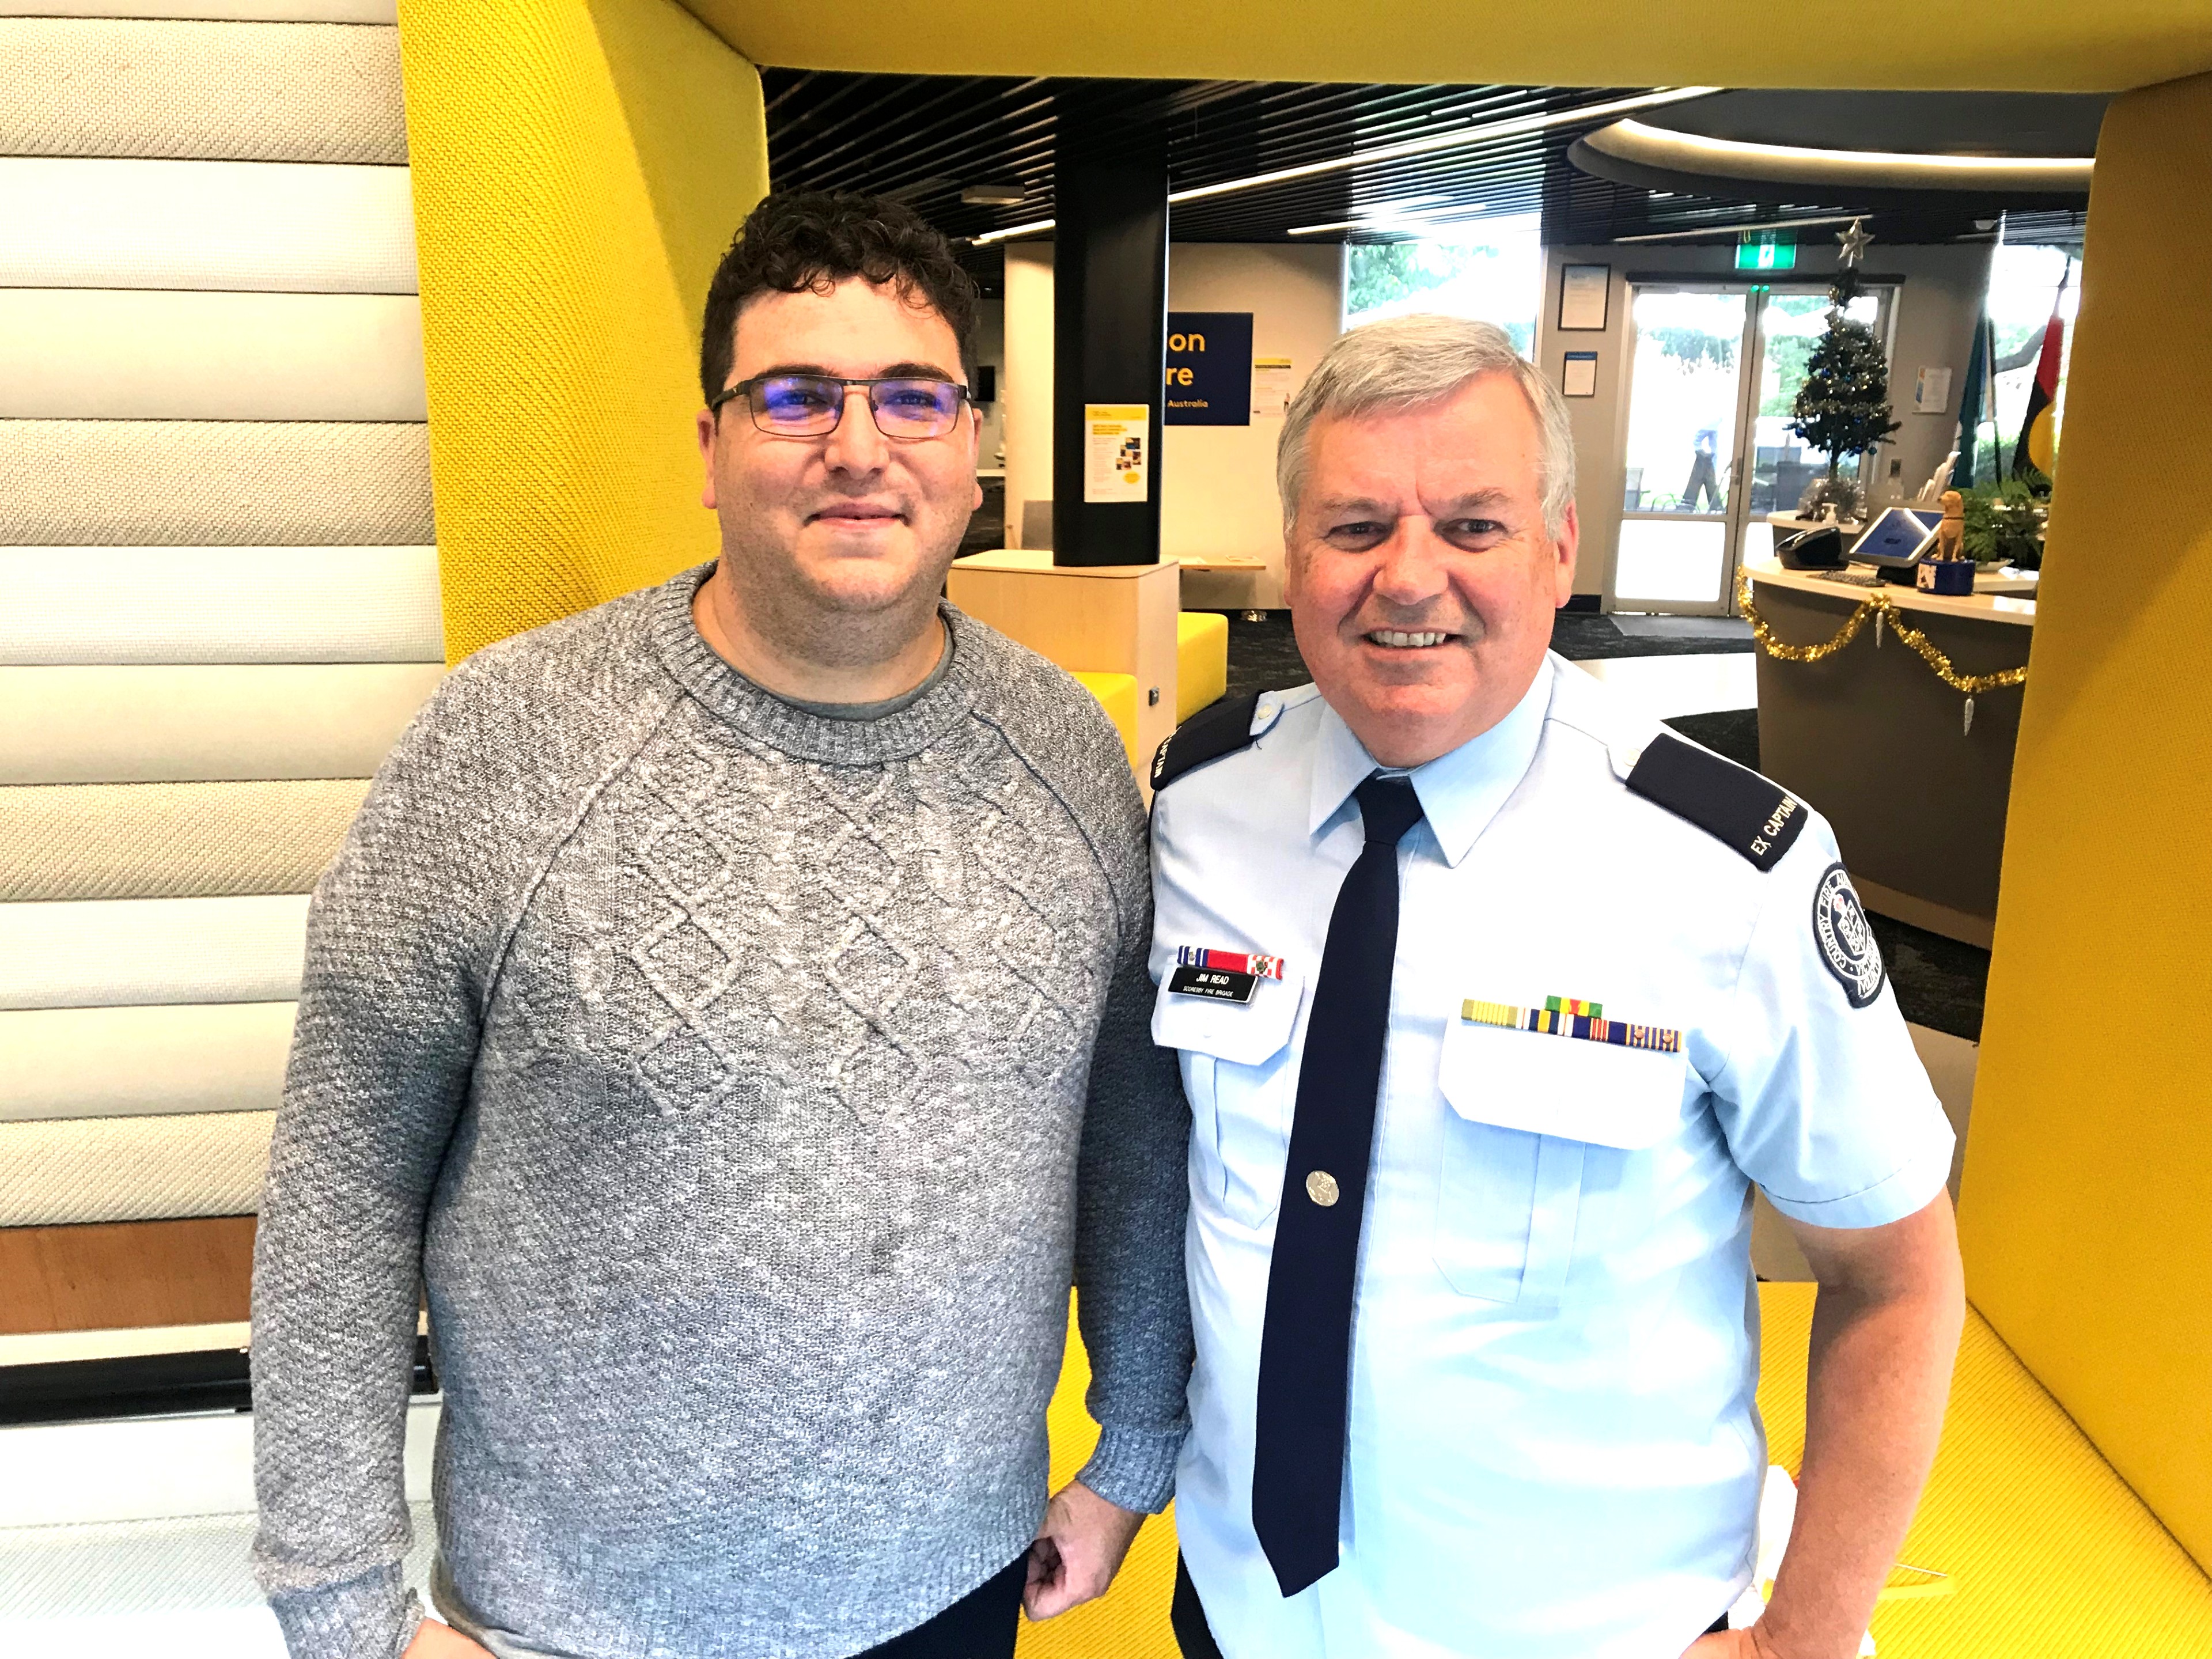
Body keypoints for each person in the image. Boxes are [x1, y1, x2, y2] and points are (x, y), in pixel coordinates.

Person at [249, 190, 1191, 1659]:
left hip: (952, 1593)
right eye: (797, 395)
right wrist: (346, 1609)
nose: (860, 448)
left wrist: (1131, 1445)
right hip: (574, 1625)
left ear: (978, 443)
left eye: (914, 397)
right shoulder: (507, 744)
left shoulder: (1066, 757)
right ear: (709, 447)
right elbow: (342, 1183)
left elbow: (1132, 1132)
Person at [1148, 314, 1964, 1659]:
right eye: (1355, 528)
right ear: (1292, 554)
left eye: (1474, 525)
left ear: (1561, 547)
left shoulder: (1729, 869)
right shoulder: (1201, 803)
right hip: (1243, 1608)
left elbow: (1899, 1280)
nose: (1409, 578)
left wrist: (1801, 1640)